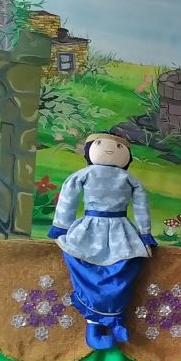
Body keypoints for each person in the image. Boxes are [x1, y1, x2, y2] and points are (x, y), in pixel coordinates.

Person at [48, 132, 156, 349]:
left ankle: (115, 319)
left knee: (123, 270)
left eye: (119, 147)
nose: (111, 149)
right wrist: (61, 227)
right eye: (100, 144)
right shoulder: (84, 174)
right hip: (91, 229)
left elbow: (141, 207)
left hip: (120, 230)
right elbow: (68, 198)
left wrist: (145, 233)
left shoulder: (129, 179)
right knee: (88, 270)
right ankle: (94, 327)